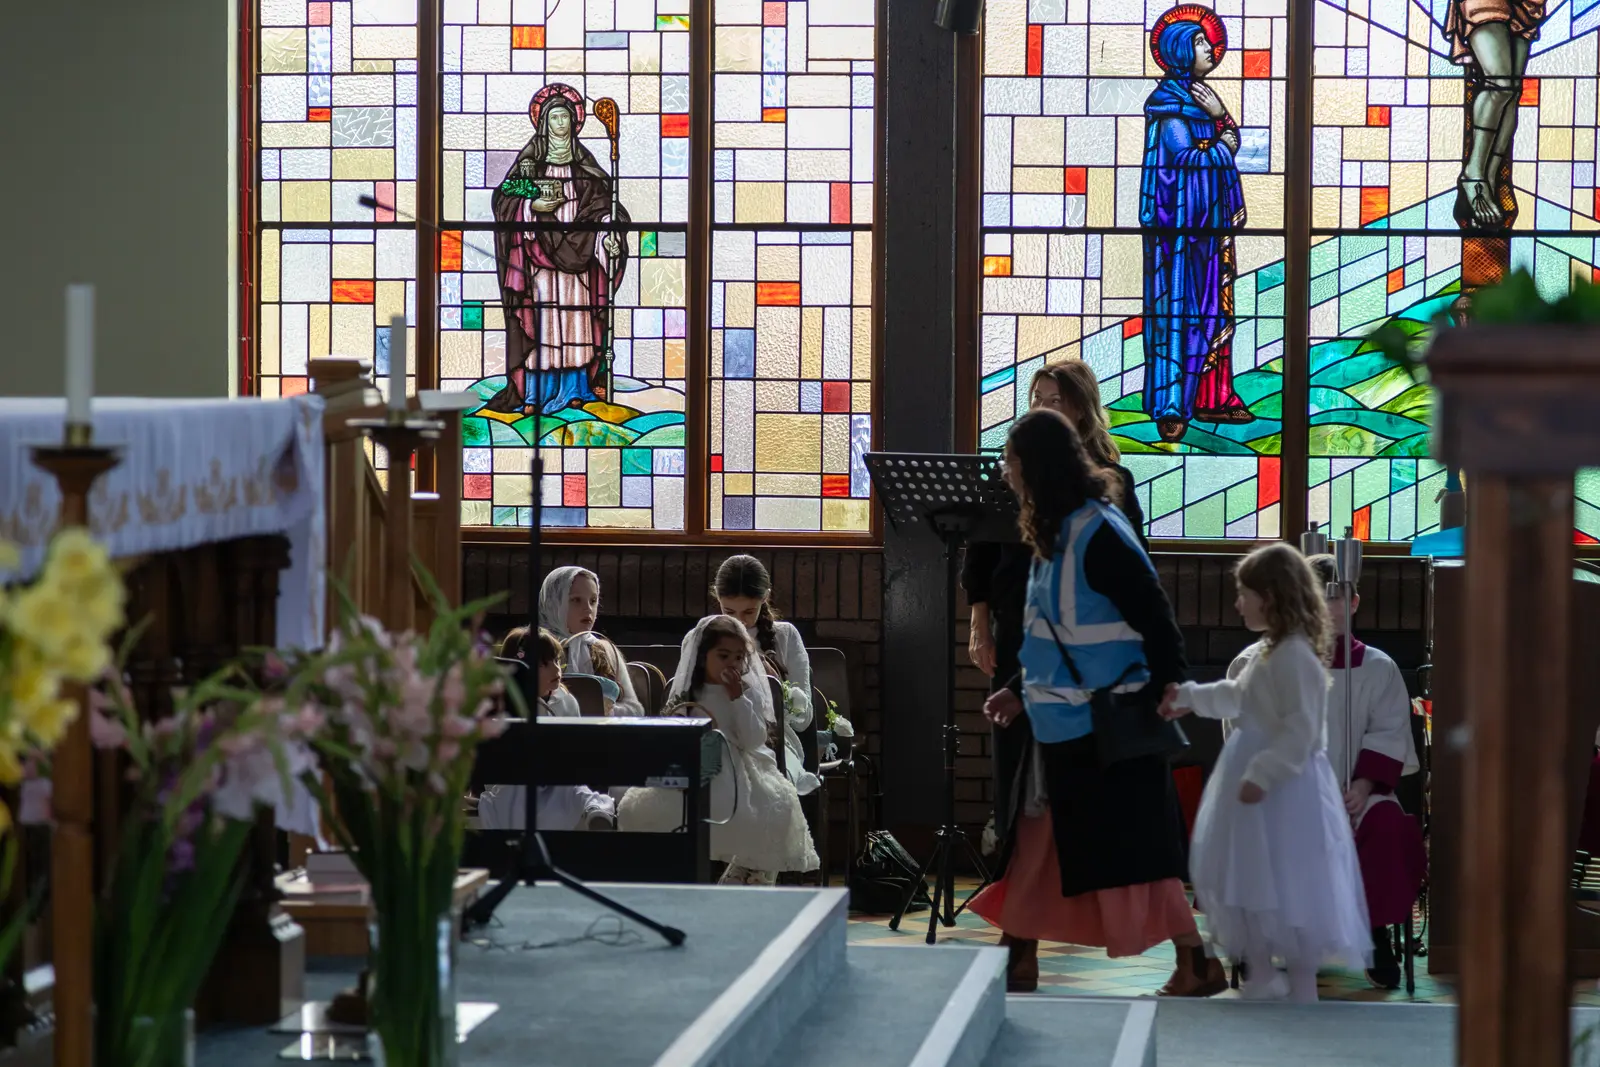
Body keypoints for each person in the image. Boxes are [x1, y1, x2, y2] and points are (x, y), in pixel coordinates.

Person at [968, 409, 1222, 997]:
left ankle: (1194, 961)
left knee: (1126, 852)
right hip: (1063, 720)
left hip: (1107, 724)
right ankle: (1019, 955)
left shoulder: (1097, 530)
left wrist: (1170, 686)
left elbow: (1153, 611)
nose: (1005, 473)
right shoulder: (1056, 533)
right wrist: (1018, 691)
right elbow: (1050, 632)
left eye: (1009, 461)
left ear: (1034, 468)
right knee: (1047, 837)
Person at [965, 362, 1147, 897]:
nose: (1043, 406)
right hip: (1016, 628)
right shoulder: (1010, 474)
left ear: (1081, 408)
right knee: (1013, 751)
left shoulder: (1109, 480)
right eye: (1037, 397)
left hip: (1080, 638)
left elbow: (1130, 569)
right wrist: (980, 627)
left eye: (1056, 399)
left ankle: (1073, 870)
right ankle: (1013, 874)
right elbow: (979, 560)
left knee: (1072, 754)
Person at [1159, 544, 1371, 1002]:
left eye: (1244, 594)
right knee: (1252, 877)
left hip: (1285, 788)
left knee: (1291, 880)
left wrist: (1264, 770)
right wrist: (1190, 697)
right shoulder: (1269, 652)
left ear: (1271, 597)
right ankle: (1259, 975)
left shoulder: (1296, 657)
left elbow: (1302, 730)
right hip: (1254, 780)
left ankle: (1299, 985)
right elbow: (1238, 696)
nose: (1238, 604)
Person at [618, 616, 819, 884]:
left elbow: (753, 738)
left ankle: (748, 871)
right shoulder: (691, 692)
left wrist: (738, 699)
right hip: (698, 763)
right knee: (645, 809)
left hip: (738, 764)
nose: (732, 664)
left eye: (738, 657)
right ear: (703, 658)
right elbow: (675, 730)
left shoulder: (745, 692)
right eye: (723, 656)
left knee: (774, 808)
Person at [1306, 554, 1427, 990]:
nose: (1329, 604)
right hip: (1294, 793)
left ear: (1354, 601)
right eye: (1318, 595)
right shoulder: (1270, 662)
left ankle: (1374, 934)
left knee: (1387, 825)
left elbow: (1390, 730)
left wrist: (1362, 784)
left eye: (1338, 595)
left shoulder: (1378, 667)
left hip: (1363, 791)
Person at [1140, 10, 1251, 442]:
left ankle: (1211, 396)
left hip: (1207, 225)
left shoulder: (1200, 97)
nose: (1212, 50)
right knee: (1179, 310)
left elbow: (1223, 142)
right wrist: (1223, 141)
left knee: (1211, 308)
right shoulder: (1169, 106)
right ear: (1183, 51)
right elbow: (1186, 161)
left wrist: (1221, 118)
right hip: (1179, 234)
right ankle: (1173, 404)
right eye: (1203, 44)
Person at [487, 83, 630, 416]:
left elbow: (607, 206)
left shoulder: (586, 167)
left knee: (574, 320)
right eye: (554, 118)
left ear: (574, 123)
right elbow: (504, 203)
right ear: (543, 124)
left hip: (579, 260)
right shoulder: (530, 166)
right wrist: (531, 205)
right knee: (543, 319)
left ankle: (576, 389)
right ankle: (536, 392)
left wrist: (609, 231)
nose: (560, 125)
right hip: (538, 258)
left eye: (565, 117)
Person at [478, 628, 615, 831]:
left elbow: (575, 747)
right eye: (543, 664)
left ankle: (596, 811)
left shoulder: (567, 702)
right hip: (518, 785)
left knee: (574, 789)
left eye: (557, 661)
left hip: (557, 780)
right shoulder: (504, 709)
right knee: (513, 798)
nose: (556, 669)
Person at [713, 554, 823, 797]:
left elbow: (803, 720)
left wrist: (777, 687)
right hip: (719, 737)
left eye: (748, 612)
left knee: (757, 782)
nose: (739, 622)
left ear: (765, 597)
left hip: (776, 744)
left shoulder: (785, 637)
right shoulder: (705, 635)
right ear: (717, 598)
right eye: (728, 611)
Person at [1445, 0, 1545, 228]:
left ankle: (1489, 178)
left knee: (1511, 92)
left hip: (1525, 5)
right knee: (1500, 84)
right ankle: (1474, 172)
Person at [538, 565, 646, 716]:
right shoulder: (538, 647)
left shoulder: (605, 649)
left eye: (593, 601)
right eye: (576, 600)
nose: (588, 609)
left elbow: (636, 709)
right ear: (553, 604)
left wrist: (607, 710)